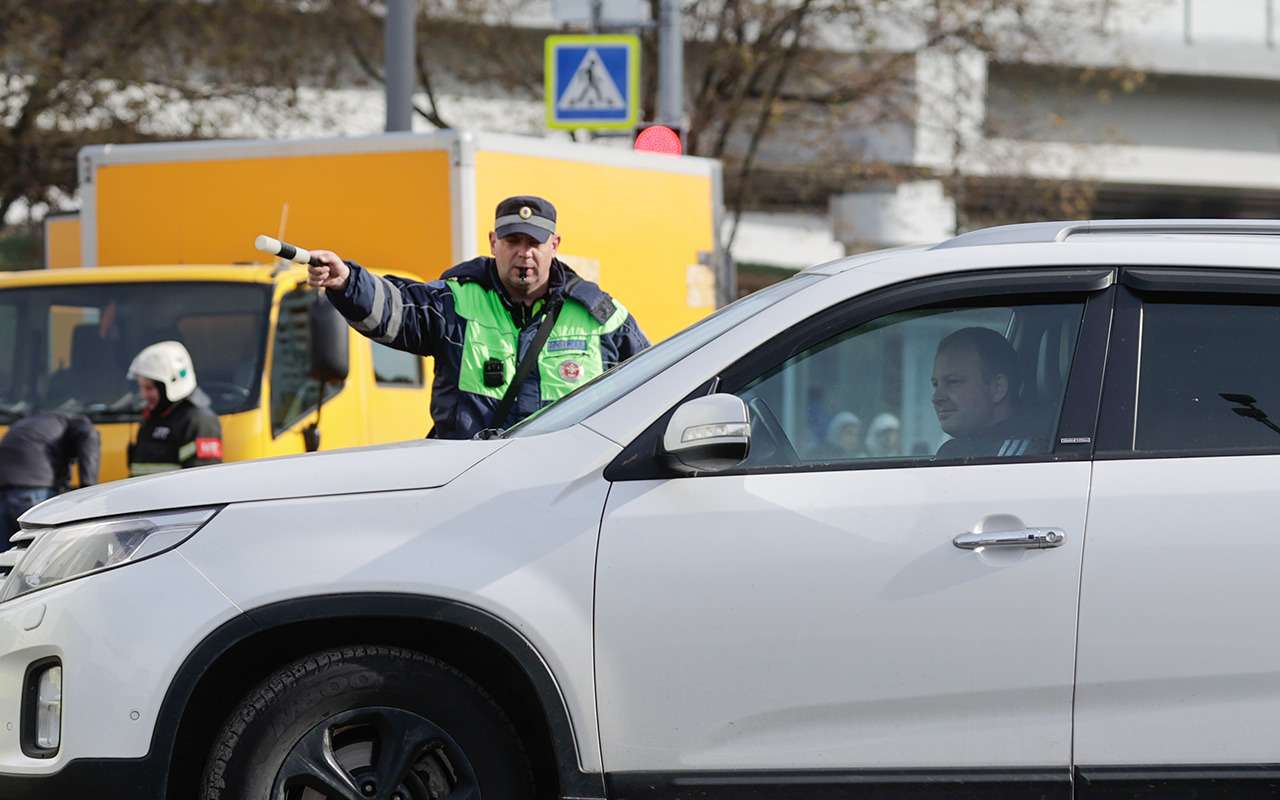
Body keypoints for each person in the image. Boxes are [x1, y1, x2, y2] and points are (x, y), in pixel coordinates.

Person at [307, 195, 650, 439]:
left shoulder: (600, 317)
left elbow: (651, 388)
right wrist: (347, 281)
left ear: (555, 244)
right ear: (493, 242)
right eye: (513, 240)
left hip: (563, 491)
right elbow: (397, 308)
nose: (524, 252)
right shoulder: (456, 301)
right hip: (470, 489)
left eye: (535, 242)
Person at [931, 327, 1039, 459]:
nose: (936, 398)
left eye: (953, 382)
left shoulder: (1019, 458)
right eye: (935, 384)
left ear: (998, 388)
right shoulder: (953, 451)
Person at [126, 341, 223, 476]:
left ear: (170, 385)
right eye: (141, 387)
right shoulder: (154, 417)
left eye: (149, 388)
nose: (143, 395)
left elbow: (202, 482)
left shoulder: (199, 422)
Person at [0, 412, 100, 542]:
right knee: (44, 550)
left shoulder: (27, 424)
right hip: (35, 492)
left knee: (5, 556)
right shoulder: (82, 425)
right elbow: (89, 447)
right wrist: (88, 490)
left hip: (4, 493)